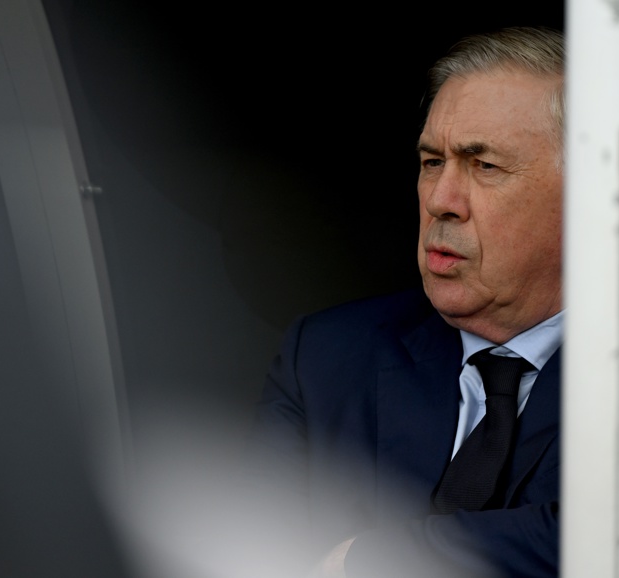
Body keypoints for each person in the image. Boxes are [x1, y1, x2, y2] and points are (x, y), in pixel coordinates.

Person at [239, 26, 565, 578]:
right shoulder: (325, 357)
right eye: (432, 162)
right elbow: (249, 548)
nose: (440, 200)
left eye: (484, 166)